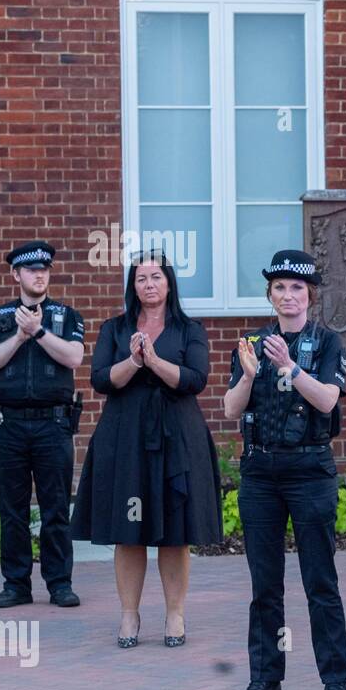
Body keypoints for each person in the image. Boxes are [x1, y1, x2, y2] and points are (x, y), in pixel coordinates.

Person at [70, 250, 223, 647]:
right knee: (128, 530)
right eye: (141, 278)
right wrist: (135, 362)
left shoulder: (190, 329)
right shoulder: (114, 329)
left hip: (177, 437)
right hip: (126, 438)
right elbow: (101, 379)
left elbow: (195, 379)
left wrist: (154, 361)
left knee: (175, 532)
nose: (149, 284)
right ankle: (129, 616)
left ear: (169, 282)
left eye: (156, 277)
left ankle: (175, 615)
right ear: (132, 286)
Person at [223, 249, 346, 690]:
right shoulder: (251, 344)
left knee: (320, 580)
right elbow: (231, 409)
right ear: (270, 295)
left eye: (297, 288)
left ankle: (335, 680)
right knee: (265, 584)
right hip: (260, 472)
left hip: (310, 470)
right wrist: (251, 375)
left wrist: (290, 369)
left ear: (309, 295)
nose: (288, 295)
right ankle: (265, 679)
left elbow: (325, 402)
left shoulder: (328, 343)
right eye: (279, 287)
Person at [0, 241, 85, 609]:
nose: (40, 274)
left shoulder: (66, 315)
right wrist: (19, 335)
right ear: (16, 275)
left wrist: (38, 332)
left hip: (53, 425)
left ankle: (59, 584)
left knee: (56, 508)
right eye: (31, 270)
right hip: (8, 425)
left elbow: (73, 357)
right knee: (13, 510)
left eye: (45, 269)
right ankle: (16, 585)